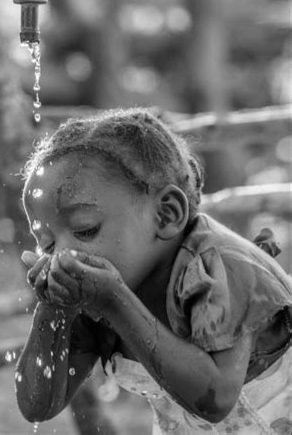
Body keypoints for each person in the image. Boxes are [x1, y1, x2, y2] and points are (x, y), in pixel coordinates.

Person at [15, 108, 291, 435]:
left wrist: (115, 300)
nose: (62, 256)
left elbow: (214, 399)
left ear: (166, 214)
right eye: (46, 245)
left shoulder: (220, 267)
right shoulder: (96, 296)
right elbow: (39, 405)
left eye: (85, 230)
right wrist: (52, 310)